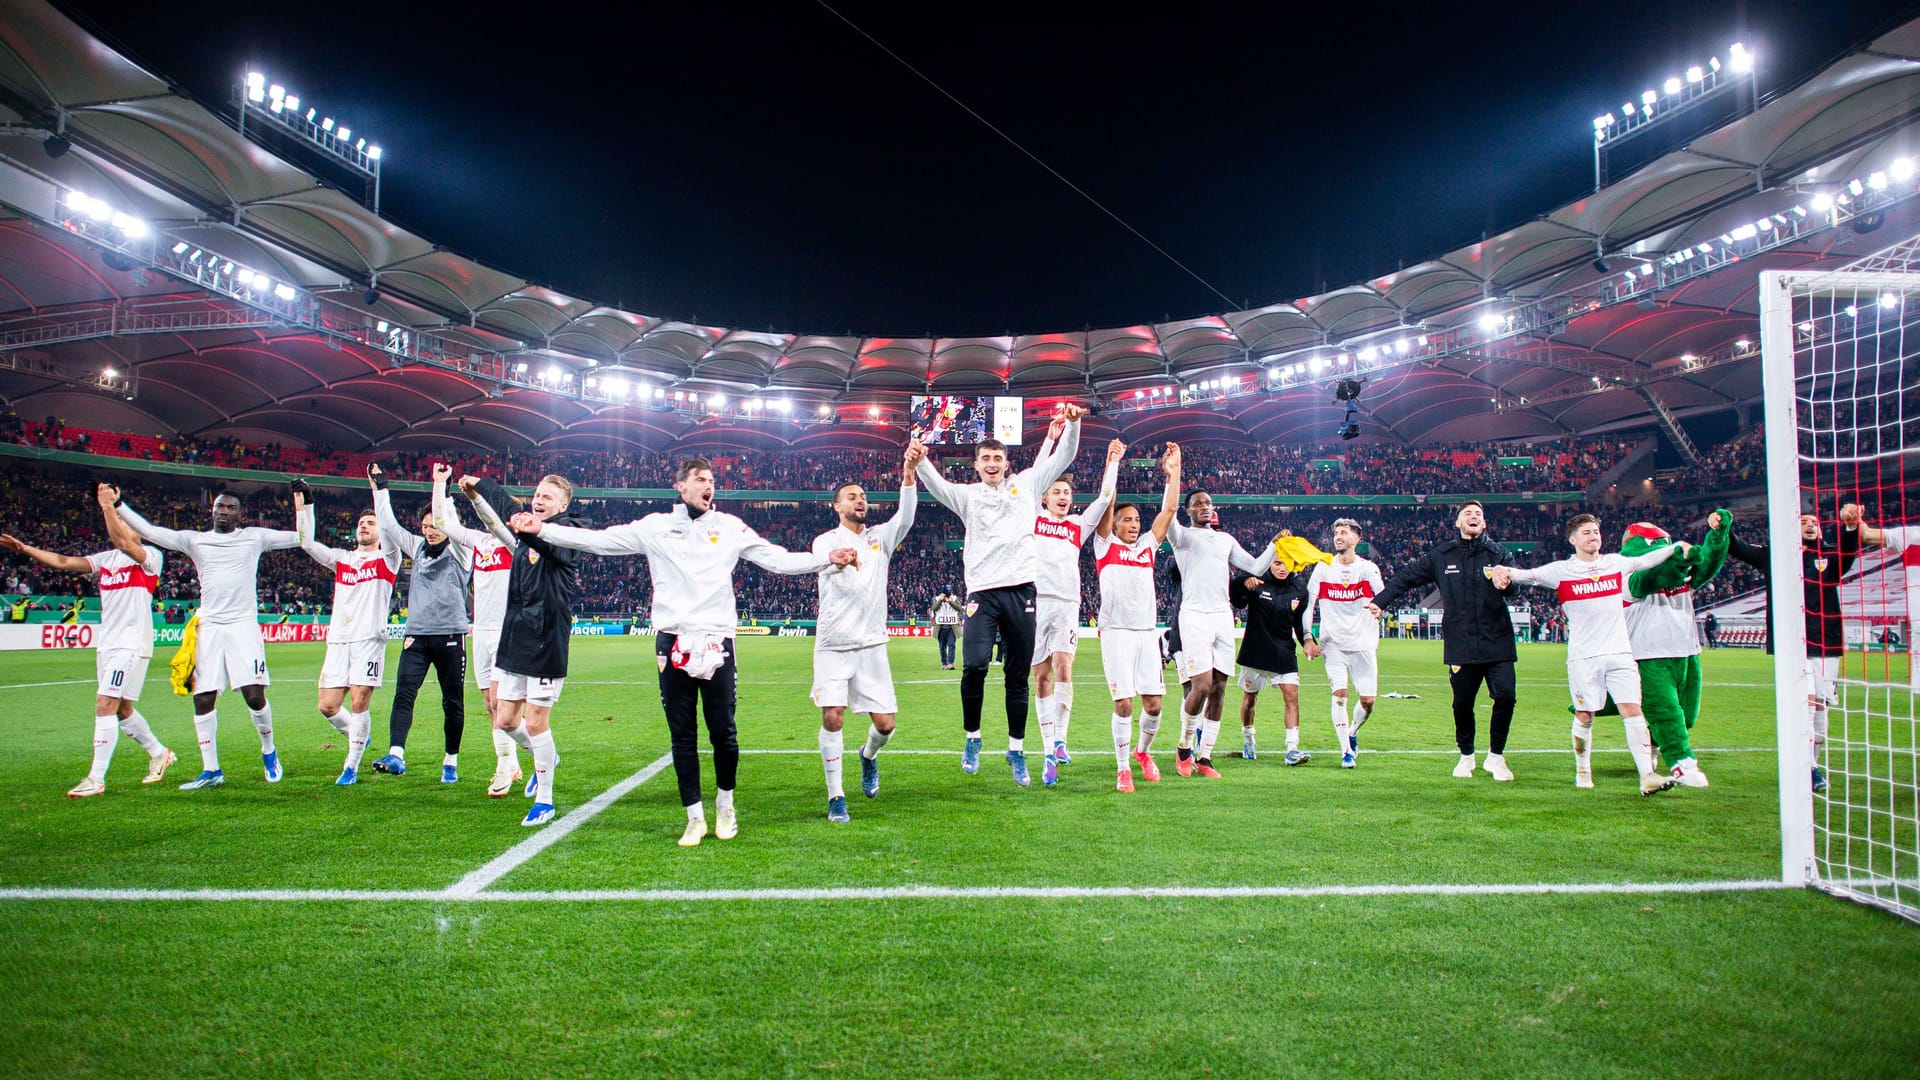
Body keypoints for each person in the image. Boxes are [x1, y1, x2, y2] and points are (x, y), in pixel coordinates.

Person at [515, 458, 857, 846]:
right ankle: (694, 817)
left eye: (711, 480)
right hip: (672, 640)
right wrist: (542, 529)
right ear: (681, 486)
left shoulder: (729, 527)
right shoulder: (656, 527)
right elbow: (599, 541)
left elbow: (776, 559)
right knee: (683, 736)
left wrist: (825, 559)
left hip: (717, 640)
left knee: (724, 733)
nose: (708, 486)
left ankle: (726, 806)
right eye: (699, 479)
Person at [911, 405, 1082, 786]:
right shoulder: (968, 496)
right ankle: (973, 738)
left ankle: (1016, 750)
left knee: (1017, 676)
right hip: (982, 594)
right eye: (985, 458)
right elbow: (937, 487)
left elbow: (1065, 456)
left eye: (998, 458)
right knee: (973, 666)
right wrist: (921, 462)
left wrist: (1073, 424)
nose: (992, 464)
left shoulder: (1027, 486)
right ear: (976, 465)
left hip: (1022, 590)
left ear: (1007, 463)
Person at [116, 487, 303, 789]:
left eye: (231, 507)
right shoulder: (196, 540)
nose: (224, 511)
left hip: (243, 624)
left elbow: (302, 537)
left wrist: (304, 505)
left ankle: (269, 752)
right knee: (203, 697)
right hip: (210, 625)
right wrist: (119, 504)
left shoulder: (254, 537)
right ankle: (211, 770)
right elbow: (149, 531)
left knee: (254, 695)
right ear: (212, 510)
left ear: (239, 514)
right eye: (220, 506)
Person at [0, 483, 174, 795]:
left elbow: (123, 541)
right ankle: (160, 753)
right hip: (107, 643)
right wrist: (25, 549)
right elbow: (65, 563)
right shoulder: (107, 559)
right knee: (121, 709)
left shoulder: (149, 557)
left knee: (105, 702)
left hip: (131, 643)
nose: (120, 526)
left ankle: (95, 779)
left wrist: (108, 505)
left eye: (125, 523)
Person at [1493, 514, 1683, 795]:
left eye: (1596, 531)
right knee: (1585, 715)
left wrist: (1677, 547)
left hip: (1620, 653)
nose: (1593, 536)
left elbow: (1645, 561)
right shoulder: (1561, 571)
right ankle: (1583, 768)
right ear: (1573, 540)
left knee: (1633, 711)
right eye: (1586, 533)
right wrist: (1497, 569)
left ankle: (1647, 776)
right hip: (1584, 657)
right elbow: (1526, 576)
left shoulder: (1615, 563)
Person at [458, 471, 583, 827]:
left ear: (563, 505)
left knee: (535, 721)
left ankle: (545, 800)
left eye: (547, 497)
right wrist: (479, 486)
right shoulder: (525, 531)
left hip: (546, 640)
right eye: (537, 495)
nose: (539, 500)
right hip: (516, 636)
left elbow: (539, 537)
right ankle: (546, 757)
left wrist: (528, 526)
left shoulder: (567, 534)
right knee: (505, 719)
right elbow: (505, 510)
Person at [1368, 501, 1521, 781]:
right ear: (1457, 523)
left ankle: (1496, 757)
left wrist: (1508, 584)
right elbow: (1406, 579)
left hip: (1497, 641)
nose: (1473, 517)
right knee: (1462, 704)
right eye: (1467, 514)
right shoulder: (1442, 556)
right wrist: (1381, 602)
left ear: (1484, 523)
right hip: (1460, 643)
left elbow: (1515, 587)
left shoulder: (1498, 553)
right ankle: (1466, 756)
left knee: (1506, 697)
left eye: (1478, 514)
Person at [810, 448, 920, 822]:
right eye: (852, 496)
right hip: (834, 645)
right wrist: (840, 557)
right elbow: (827, 555)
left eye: (863, 496)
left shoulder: (880, 538)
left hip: (872, 645)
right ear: (836, 506)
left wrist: (908, 473)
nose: (861, 500)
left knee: (886, 725)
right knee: (833, 717)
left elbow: (906, 514)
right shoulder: (825, 541)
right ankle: (836, 796)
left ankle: (868, 756)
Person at [1727, 504, 1863, 792]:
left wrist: (1851, 527)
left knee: (1821, 708)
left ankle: (1813, 764)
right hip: (1793, 644)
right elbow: (1737, 548)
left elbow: (1849, 553)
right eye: (1804, 521)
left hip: (1826, 642)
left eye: (1814, 521)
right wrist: (1721, 526)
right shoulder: (1776, 555)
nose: (1811, 525)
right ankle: (1808, 768)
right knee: (1809, 703)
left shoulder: (1829, 557)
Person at [294, 473, 403, 785]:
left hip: (369, 639)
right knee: (327, 705)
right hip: (339, 639)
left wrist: (378, 491)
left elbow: (389, 526)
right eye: (361, 524)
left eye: (370, 524)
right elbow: (307, 542)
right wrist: (304, 505)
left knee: (358, 703)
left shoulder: (388, 558)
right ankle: (359, 737)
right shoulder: (342, 559)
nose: (364, 527)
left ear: (380, 532)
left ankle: (351, 767)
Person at [1029, 436, 1124, 785]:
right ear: (1045, 497)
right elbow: (1037, 474)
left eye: (1067, 493)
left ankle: (1060, 741)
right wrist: (1051, 440)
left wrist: (1112, 460)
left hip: (1068, 604)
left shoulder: (1077, 526)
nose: (1063, 497)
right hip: (1036, 603)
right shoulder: (1034, 517)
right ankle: (1047, 746)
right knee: (1040, 677)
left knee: (1064, 667)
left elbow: (1103, 499)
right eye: (1056, 492)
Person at [371, 462, 471, 783]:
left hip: (451, 636)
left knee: (452, 702)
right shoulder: (417, 547)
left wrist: (440, 484)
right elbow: (387, 523)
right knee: (404, 694)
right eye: (426, 526)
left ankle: (451, 761)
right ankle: (397, 754)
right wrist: (381, 487)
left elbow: (447, 518)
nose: (430, 530)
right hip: (416, 637)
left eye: (435, 525)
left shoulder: (460, 551)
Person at [1092, 442, 1181, 792]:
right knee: (1124, 702)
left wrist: (1173, 473)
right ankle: (1122, 767)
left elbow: (1170, 508)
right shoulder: (1104, 545)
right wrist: (1112, 461)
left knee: (1155, 705)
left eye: (1136, 520)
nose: (1133, 524)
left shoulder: (1146, 547)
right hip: (1115, 631)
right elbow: (1107, 498)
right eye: (1126, 519)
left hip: (1146, 632)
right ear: (1113, 524)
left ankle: (1143, 753)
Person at [1169, 489, 1273, 778]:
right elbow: (1167, 513)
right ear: (1188, 510)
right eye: (1197, 504)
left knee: (1219, 688)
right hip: (1194, 616)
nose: (1204, 507)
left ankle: (1206, 757)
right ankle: (1184, 747)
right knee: (1200, 685)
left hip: (1222, 617)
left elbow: (1255, 567)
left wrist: (1274, 545)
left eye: (1208, 503)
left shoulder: (1225, 540)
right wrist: (1171, 478)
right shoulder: (1182, 537)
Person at [431, 471, 516, 794]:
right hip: (480, 630)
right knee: (490, 705)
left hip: (506, 631)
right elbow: (444, 523)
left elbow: (494, 521)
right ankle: (515, 760)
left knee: (499, 700)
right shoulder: (480, 542)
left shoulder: (516, 542)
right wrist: (441, 484)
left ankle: (504, 766)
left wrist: (476, 495)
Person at [1303, 518, 1385, 768]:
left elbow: (1383, 596)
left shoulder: (1368, 569)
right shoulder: (1323, 567)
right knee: (1339, 695)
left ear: (1356, 539)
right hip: (1333, 643)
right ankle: (1346, 751)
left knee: (1368, 702)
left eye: (1344, 533)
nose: (1338, 536)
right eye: (1336, 532)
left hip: (1363, 644)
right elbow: (1309, 604)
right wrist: (1308, 636)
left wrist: (1379, 607)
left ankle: (1353, 731)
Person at [1230, 550, 1310, 770]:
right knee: (1249, 700)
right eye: (1277, 563)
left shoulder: (1300, 588)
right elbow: (1236, 599)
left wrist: (1307, 642)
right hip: (1256, 650)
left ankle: (1292, 748)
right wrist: (1243, 582)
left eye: (1286, 564)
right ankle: (1248, 740)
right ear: (1270, 564)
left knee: (1292, 696)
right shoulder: (1258, 581)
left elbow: (1300, 621)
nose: (1281, 568)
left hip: (1284, 651)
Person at [931, 590, 962, 669]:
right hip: (941, 627)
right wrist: (940, 600)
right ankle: (944, 663)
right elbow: (934, 608)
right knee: (942, 647)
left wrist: (951, 602)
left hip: (952, 627)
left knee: (951, 645)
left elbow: (959, 608)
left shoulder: (954, 599)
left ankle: (951, 663)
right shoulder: (936, 599)